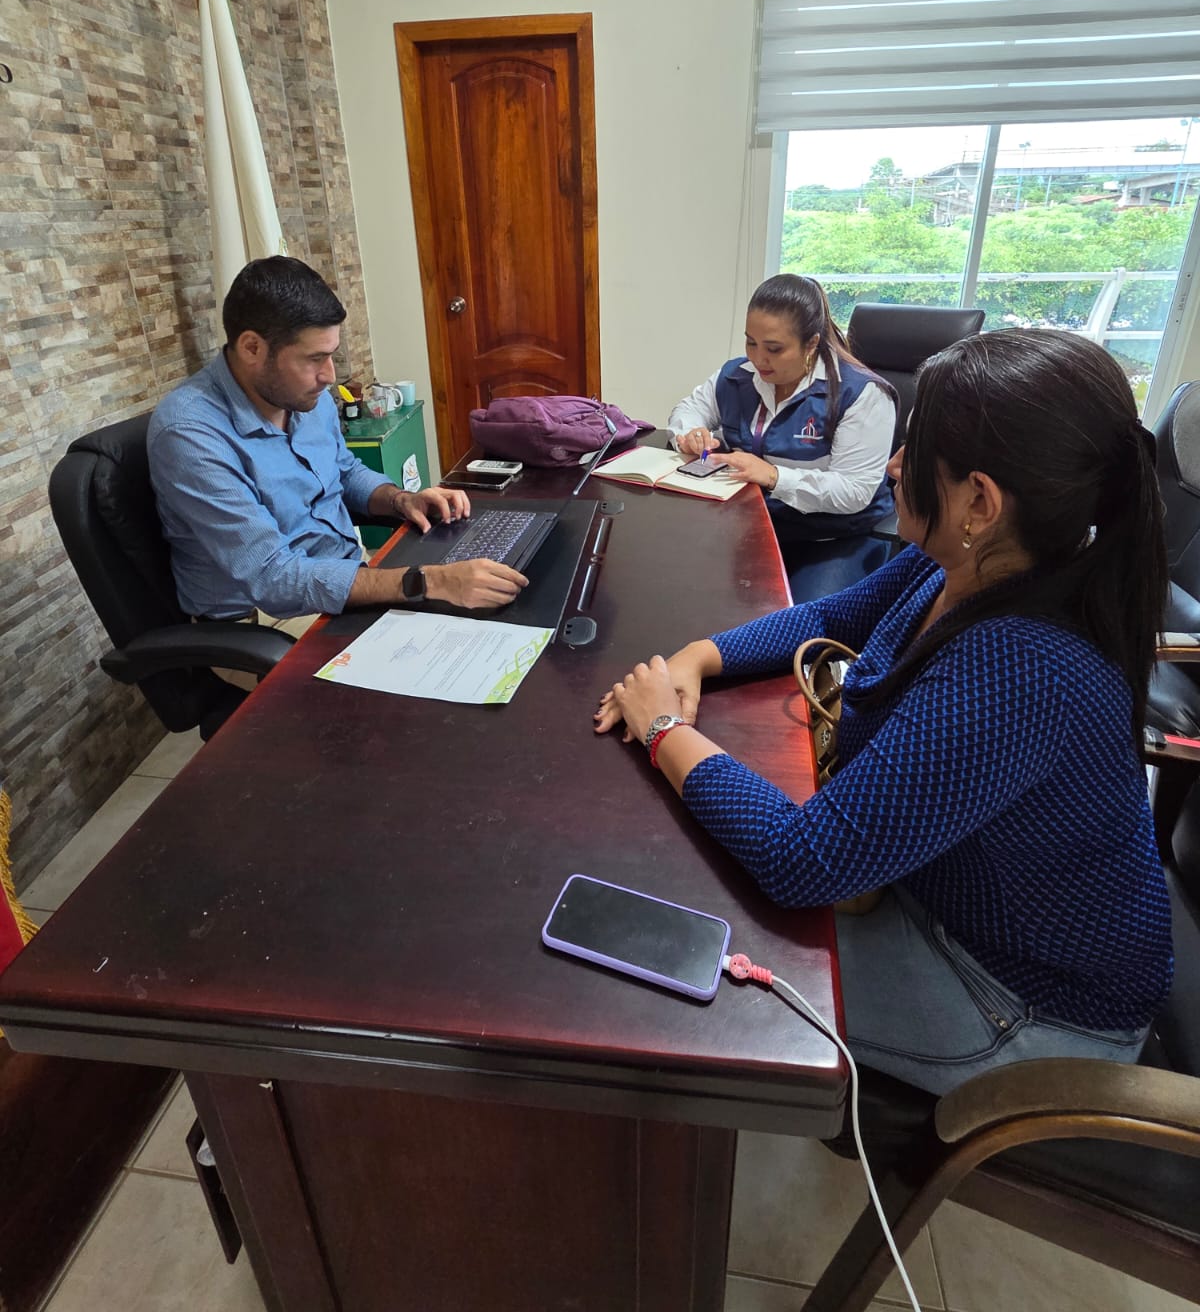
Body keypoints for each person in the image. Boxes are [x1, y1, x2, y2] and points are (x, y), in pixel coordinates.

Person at [595, 328, 1172, 1094]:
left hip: (1023, 1005)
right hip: (950, 902)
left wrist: (663, 727)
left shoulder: (1021, 667)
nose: (894, 466)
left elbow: (801, 861)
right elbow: (832, 614)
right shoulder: (970, 565)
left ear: (979, 502)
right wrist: (695, 658)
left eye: (914, 450)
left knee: (683, 967)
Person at [149, 257, 527, 623]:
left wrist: (400, 500)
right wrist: (430, 582)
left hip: (344, 578)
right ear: (252, 348)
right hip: (270, 619)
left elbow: (343, 471)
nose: (330, 375)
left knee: (503, 608)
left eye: (331, 355)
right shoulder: (190, 434)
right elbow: (273, 578)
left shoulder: (300, 396)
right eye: (315, 358)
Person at [667, 275, 896, 602]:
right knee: (688, 592)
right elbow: (689, 410)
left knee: (797, 623)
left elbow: (855, 490)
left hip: (833, 537)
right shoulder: (737, 376)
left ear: (811, 344)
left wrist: (775, 477)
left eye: (774, 349)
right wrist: (689, 434)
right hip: (756, 526)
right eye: (751, 343)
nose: (758, 359)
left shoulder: (860, 394)